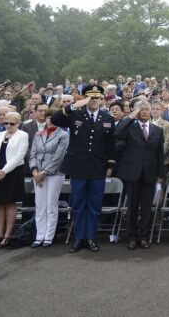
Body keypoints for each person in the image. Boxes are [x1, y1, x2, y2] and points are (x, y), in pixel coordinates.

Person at [51, 85, 117, 253]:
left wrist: (109, 165)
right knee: (78, 203)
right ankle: (79, 238)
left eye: (97, 97)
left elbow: (110, 145)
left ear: (102, 99)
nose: (94, 100)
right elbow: (55, 119)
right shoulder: (75, 114)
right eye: (91, 97)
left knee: (94, 204)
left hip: (97, 167)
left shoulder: (107, 117)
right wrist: (74, 105)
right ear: (85, 98)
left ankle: (91, 237)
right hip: (78, 166)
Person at [114, 100, 164, 250]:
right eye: (141, 109)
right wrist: (131, 116)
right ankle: (131, 237)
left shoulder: (157, 130)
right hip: (131, 173)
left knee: (147, 207)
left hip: (149, 173)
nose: (144, 111)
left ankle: (144, 237)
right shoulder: (130, 127)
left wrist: (159, 174)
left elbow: (159, 154)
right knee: (132, 206)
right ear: (136, 112)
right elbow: (117, 132)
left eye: (146, 109)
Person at [0, 111, 28, 248]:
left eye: (12, 123)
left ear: (18, 123)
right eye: (6, 123)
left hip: (12, 172)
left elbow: (19, 156)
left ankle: (7, 235)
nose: (8, 125)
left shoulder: (23, 135)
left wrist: (4, 171)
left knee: (10, 203)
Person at [28, 113, 69, 247]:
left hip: (55, 174)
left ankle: (49, 236)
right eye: (48, 118)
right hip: (38, 173)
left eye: (53, 119)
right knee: (40, 205)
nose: (50, 121)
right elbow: (33, 154)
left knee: (51, 205)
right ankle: (39, 236)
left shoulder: (63, 135)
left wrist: (43, 173)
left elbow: (59, 157)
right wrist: (35, 171)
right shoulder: (38, 134)